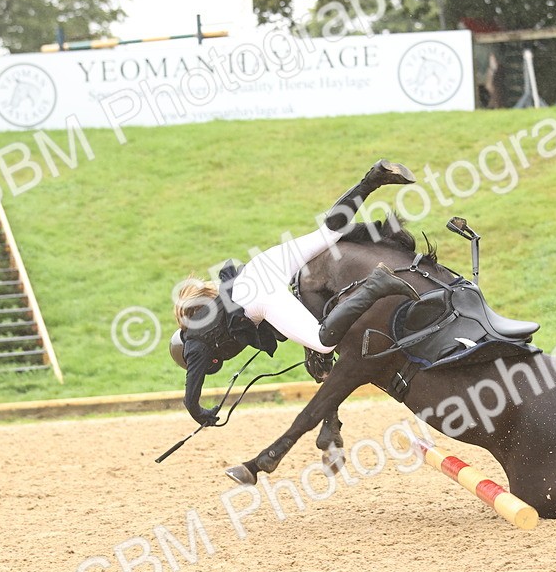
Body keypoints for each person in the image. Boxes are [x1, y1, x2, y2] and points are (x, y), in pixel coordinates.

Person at [170, 161, 421, 426]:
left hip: (260, 296)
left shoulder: (194, 344)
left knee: (323, 341)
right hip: (263, 265)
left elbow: (190, 398)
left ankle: (376, 285)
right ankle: (373, 178)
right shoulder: (216, 306)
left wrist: (199, 413)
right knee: (329, 233)